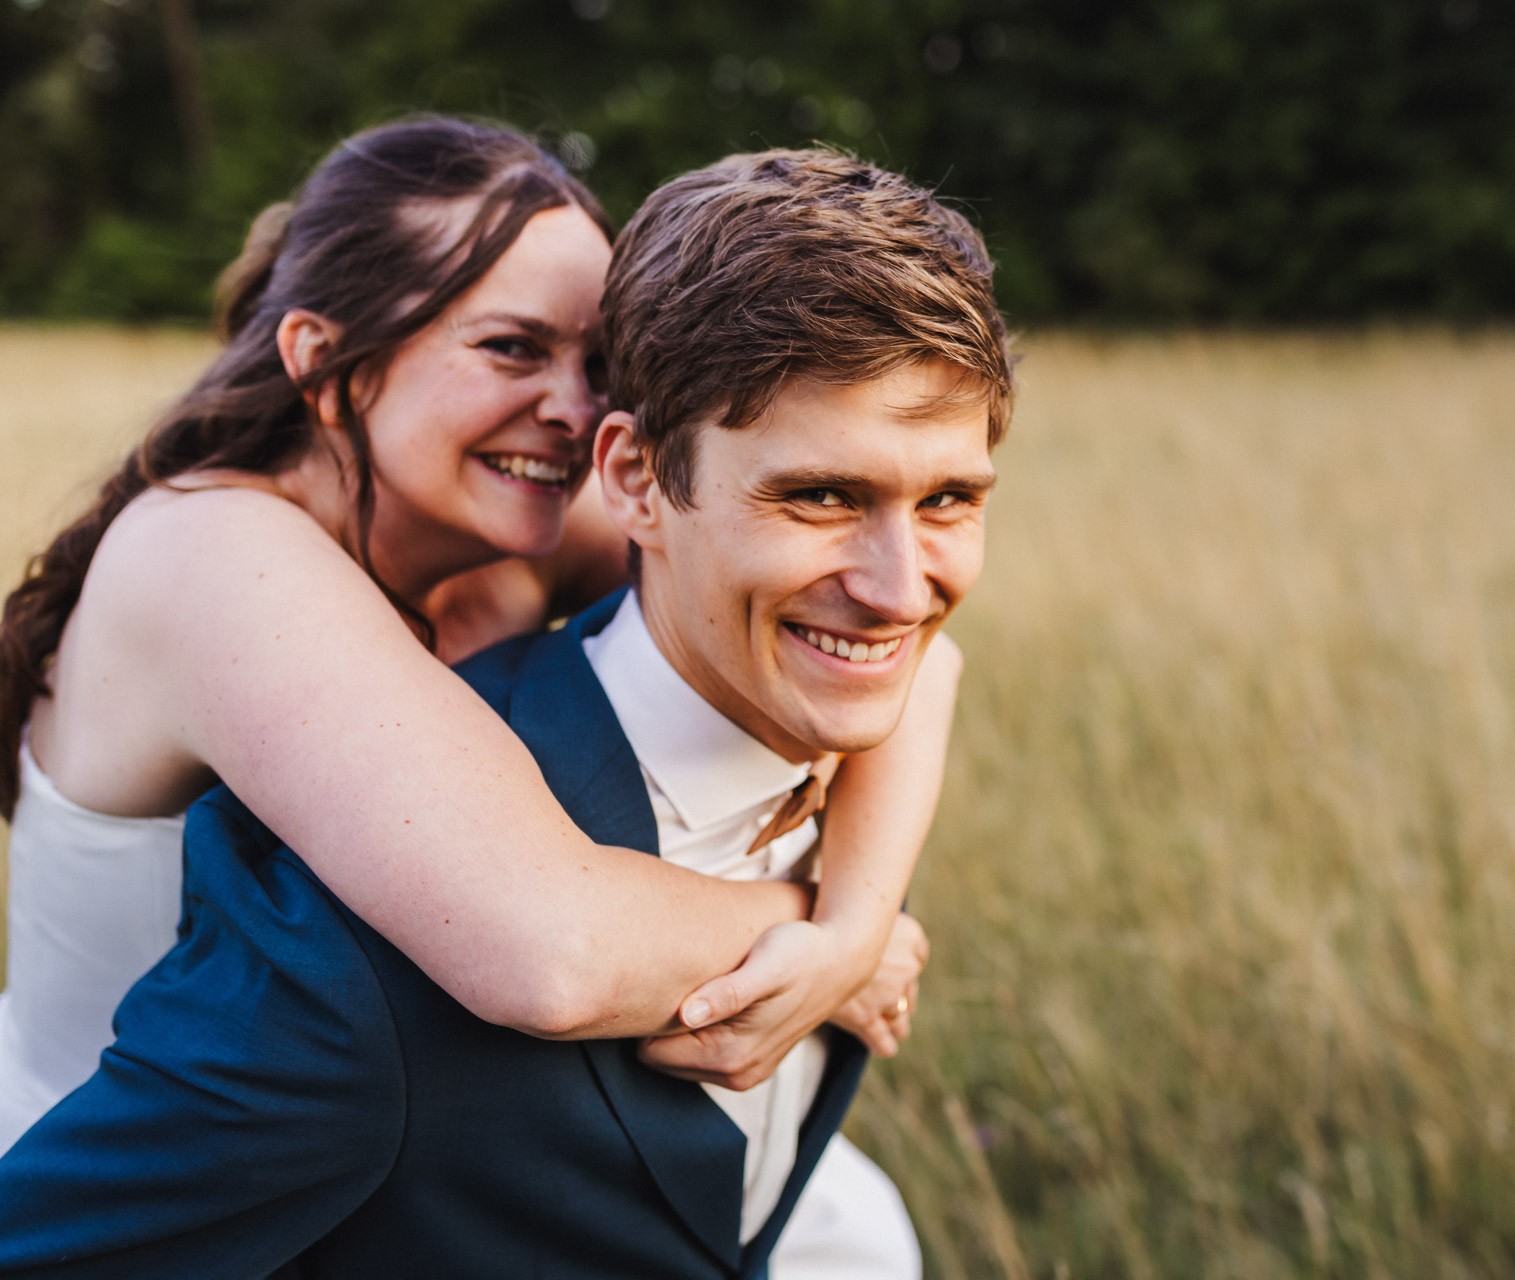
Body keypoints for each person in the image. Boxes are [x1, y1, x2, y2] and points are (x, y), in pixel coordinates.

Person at [0, 145, 1012, 1277]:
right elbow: (547, 942)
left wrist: (855, 921)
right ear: (327, 368)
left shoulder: (512, 517)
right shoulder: (219, 552)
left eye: (595, 359)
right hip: (152, 1159)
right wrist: (813, 942)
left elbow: (899, 642)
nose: (576, 409)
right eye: (513, 349)